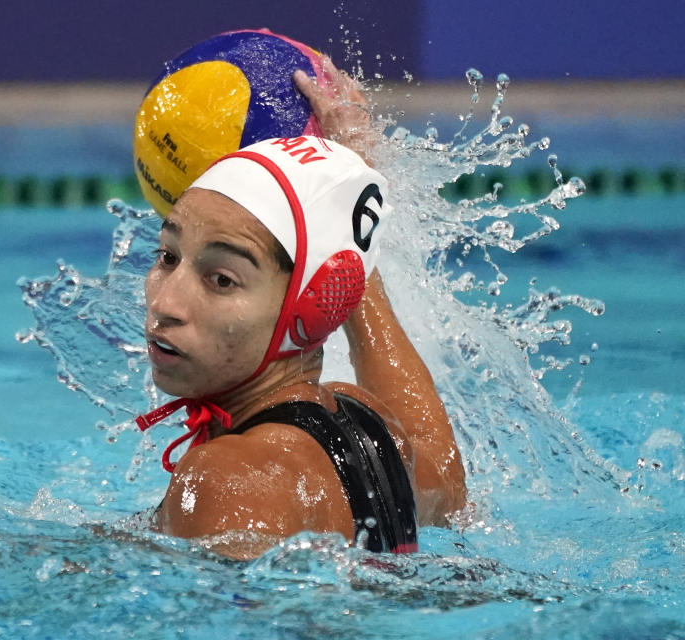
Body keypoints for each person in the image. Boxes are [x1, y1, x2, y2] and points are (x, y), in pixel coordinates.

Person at [135, 63, 466, 560]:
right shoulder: (369, 426)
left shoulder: (223, 478)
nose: (165, 303)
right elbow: (446, 483)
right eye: (168, 257)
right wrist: (348, 231)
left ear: (311, 308)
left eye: (221, 280)